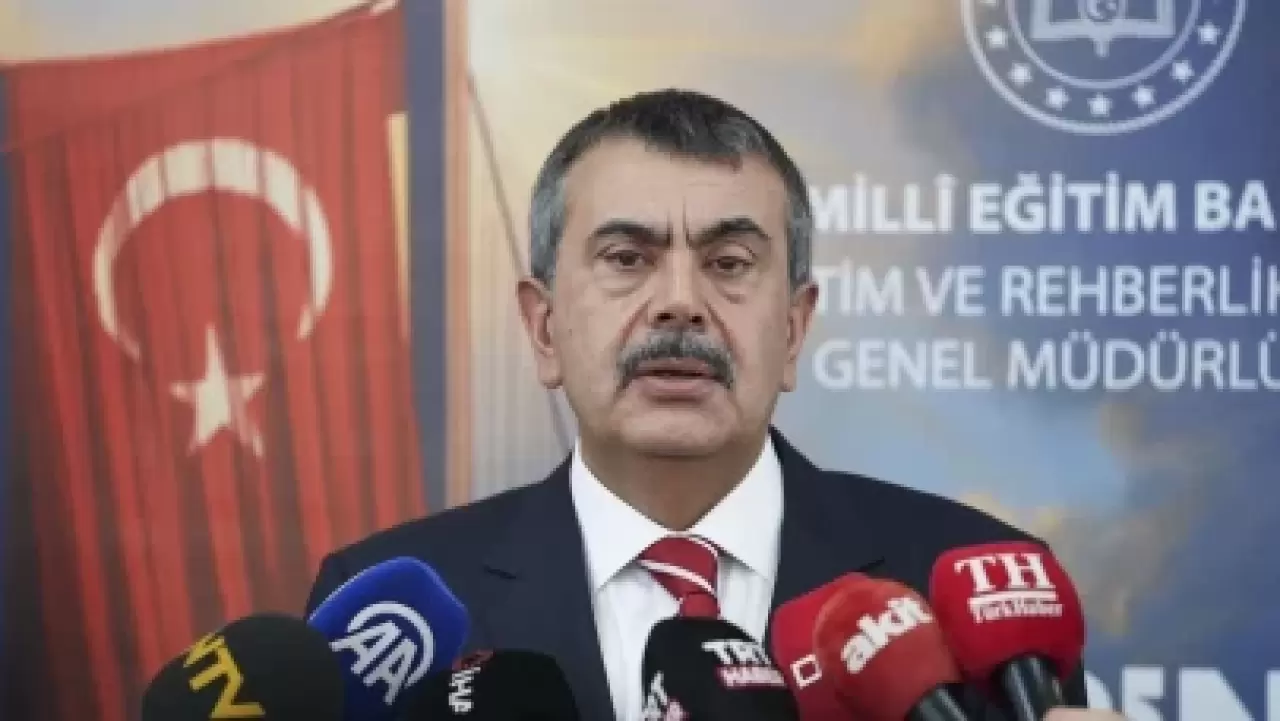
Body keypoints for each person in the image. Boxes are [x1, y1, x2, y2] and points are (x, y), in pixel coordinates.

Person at [305, 89, 1125, 721]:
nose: (680, 303)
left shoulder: (961, 586)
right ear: (544, 326)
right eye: (626, 258)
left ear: (793, 329)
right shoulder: (389, 613)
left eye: (729, 263)